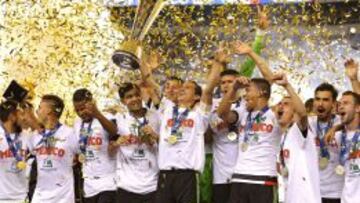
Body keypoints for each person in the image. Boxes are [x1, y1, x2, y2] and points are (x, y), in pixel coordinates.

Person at [154, 48, 222, 203]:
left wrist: (217, 63)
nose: (182, 89)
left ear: (197, 96)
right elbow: (149, 84)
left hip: (188, 177)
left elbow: (209, 89)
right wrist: (147, 67)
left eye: (188, 87)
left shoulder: (199, 115)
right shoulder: (167, 109)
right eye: (182, 86)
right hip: (165, 174)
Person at [218, 41, 280, 203]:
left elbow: (270, 79)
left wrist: (251, 53)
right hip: (239, 177)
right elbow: (222, 113)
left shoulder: (275, 113)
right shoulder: (243, 112)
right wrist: (233, 88)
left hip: (263, 177)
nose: (245, 95)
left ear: (262, 93)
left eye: (248, 91)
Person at [274, 73, 321, 203]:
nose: (281, 106)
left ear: (294, 111)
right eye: (280, 103)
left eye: (286, 104)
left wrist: (287, 86)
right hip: (288, 195)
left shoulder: (298, 131)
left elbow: (302, 114)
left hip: (305, 197)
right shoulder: (280, 136)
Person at [111, 83, 160, 203]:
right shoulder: (118, 120)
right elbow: (110, 148)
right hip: (127, 186)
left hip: (153, 185)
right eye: (129, 96)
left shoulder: (155, 116)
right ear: (123, 101)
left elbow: (168, 145)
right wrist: (116, 143)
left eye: (137, 95)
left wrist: (155, 135)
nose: (134, 99)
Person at [28, 95, 78, 203]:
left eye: (40, 107)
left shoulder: (70, 133)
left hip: (63, 198)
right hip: (40, 197)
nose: (37, 111)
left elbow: (84, 155)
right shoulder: (35, 136)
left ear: (49, 111)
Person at [73, 88, 118, 203]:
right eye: (77, 110)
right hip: (89, 182)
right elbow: (78, 146)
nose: (81, 113)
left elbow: (114, 131)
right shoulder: (77, 123)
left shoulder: (106, 117)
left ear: (91, 103)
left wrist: (97, 113)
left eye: (83, 108)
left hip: (108, 181)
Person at [308, 83, 343, 203]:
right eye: (317, 99)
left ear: (334, 104)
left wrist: (336, 127)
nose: (320, 103)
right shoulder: (309, 123)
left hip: (337, 193)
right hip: (312, 192)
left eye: (325, 100)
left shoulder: (342, 122)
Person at [326, 91, 360, 203]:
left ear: (357, 108)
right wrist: (336, 128)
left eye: (345, 103)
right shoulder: (337, 137)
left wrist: (354, 79)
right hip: (345, 198)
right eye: (339, 104)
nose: (340, 106)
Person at [0, 100, 29, 203]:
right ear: (12, 117)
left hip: (22, 197)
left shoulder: (26, 136)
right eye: (21, 114)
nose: (24, 118)